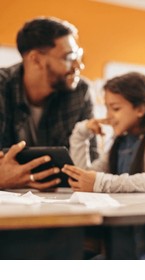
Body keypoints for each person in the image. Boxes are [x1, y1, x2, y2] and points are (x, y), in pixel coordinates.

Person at [0, 16, 97, 189]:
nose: (79, 66)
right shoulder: (2, 86)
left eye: (78, 55)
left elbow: (91, 161)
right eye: (69, 57)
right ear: (36, 59)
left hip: (62, 198)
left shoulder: (81, 92)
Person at [61, 72, 145, 193]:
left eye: (115, 108)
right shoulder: (120, 143)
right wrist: (81, 133)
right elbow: (87, 177)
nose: (108, 116)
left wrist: (104, 183)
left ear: (140, 109)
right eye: (107, 108)